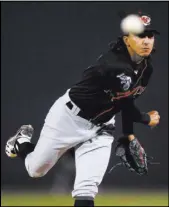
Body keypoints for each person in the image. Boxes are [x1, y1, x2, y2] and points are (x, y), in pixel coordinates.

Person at [5, 12, 160, 207]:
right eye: (140, 35)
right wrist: (145, 118)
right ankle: (21, 143)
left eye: (150, 36)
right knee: (35, 170)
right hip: (69, 118)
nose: (146, 41)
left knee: (86, 189)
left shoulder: (146, 68)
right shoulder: (113, 65)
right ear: (127, 39)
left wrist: (128, 135)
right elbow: (126, 104)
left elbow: (124, 102)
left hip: (102, 127)